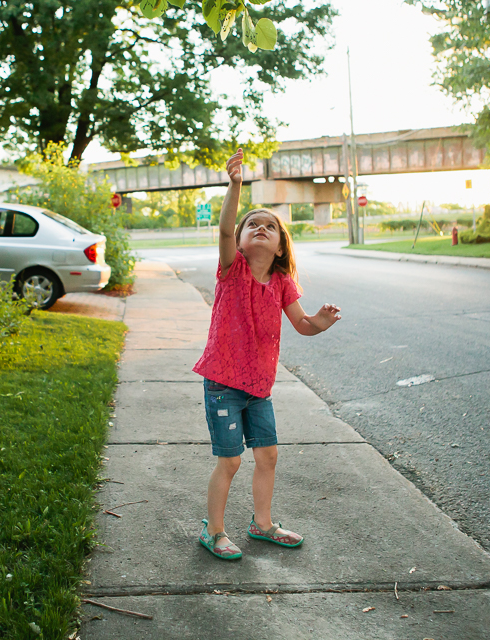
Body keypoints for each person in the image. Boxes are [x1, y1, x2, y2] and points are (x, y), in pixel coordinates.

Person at [192, 148, 342, 560]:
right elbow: (223, 231)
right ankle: (215, 530)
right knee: (230, 461)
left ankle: (262, 524)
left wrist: (321, 321)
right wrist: (235, 185)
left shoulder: (281, 282)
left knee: (268, 455)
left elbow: (302, 324)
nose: (259, 227)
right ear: (239, 241)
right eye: (251, 225)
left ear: (279, 247)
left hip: (259, 386)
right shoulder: (232, 269)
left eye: (269, 226)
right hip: (223, 383)